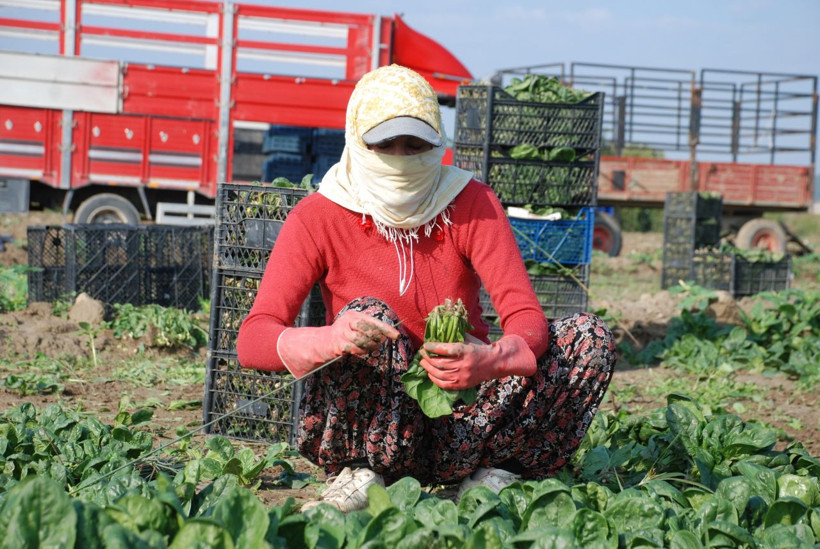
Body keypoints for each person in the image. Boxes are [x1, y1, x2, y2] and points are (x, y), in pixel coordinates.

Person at [236, 64, 616, 512]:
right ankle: (361, 474)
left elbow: (525, 316)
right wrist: (330, 338)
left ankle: (493, 475)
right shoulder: (318, 215)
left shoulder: (471, 202)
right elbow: (253, 339)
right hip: (375, 429)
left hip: (464, 420)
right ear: (358, 141)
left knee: (588, 338)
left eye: (414, 145)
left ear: (436, 143)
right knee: (367, 316)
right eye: (385, 145)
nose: (400, 157)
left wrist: (490, 360)